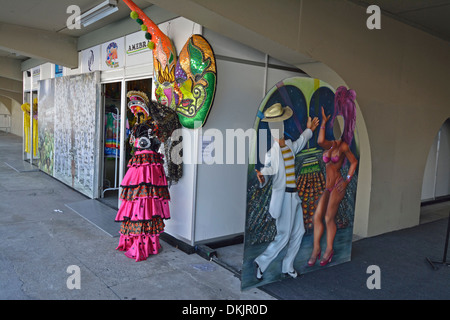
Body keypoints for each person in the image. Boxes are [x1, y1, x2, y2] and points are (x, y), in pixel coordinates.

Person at [254, 103, 319, 279]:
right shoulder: (271, 153)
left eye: (280, 124)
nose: (278, 128)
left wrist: (308, 130)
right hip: (283, 198)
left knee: (299, 231)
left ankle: (287, 265)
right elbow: (268, 171)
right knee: (283, 235)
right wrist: (263, 177)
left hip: (294, 196)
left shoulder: (289, 145)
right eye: (275, 126)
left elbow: (300, 142)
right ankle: (261, 262)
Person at [307, 86, 358, 267]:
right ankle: (316, 249)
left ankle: (328, 249)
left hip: (337, 185)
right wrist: (322, 123)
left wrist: (347, 180)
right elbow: (320, 141)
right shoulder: (330, 145)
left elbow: (354, 162)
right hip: (327, 187)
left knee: (329, 218)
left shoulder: (343, 147)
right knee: (317, 217)